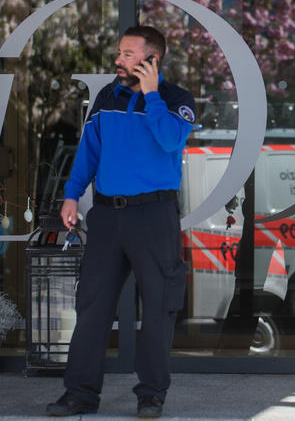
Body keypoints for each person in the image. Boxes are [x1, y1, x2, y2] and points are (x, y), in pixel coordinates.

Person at [47, 25, 195, 419]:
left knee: (159, 307)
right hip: (107, 216)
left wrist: (151, 96)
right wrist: (72, 194)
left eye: (128, 54)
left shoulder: (177, 99)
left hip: (154, 215)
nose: (119, 60)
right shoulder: (106, 97)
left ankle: (151, 395)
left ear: (152, 59)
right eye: (120, 53)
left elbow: (169, 142)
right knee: (92, 305)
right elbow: (88, 151)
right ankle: (79, 393)